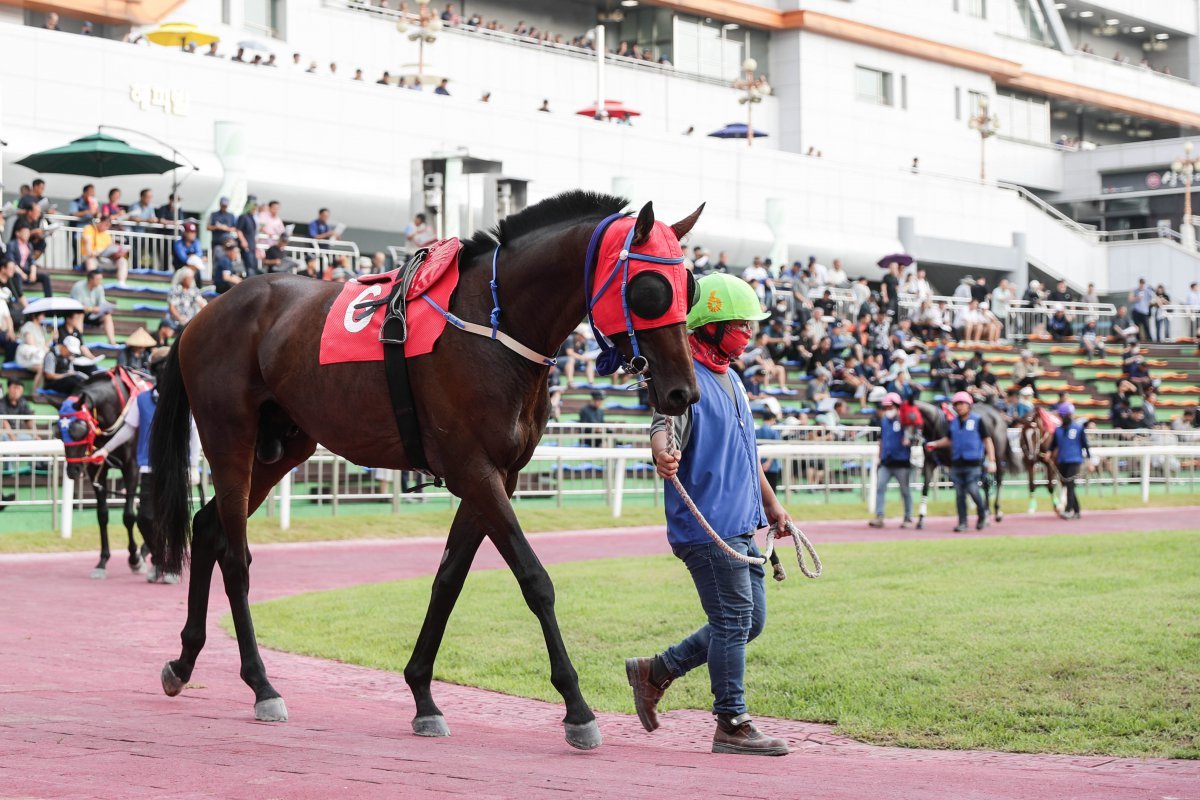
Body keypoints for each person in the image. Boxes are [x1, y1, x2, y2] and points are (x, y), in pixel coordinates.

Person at [628, 273, 790, 757]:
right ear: (710, 326)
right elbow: (663, 426)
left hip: (742, 523)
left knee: (748, 622)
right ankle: (732, 723)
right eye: (739, 324)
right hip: (706, 528)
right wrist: (662, 452)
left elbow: (746, 452)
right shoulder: (687, 381)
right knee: (735, 617)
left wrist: (773, 504)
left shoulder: (733, 378)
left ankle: (656, 671)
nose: (748, 333)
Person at [93, 348, 199, 584]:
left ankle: (171, 565)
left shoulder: (185, 400)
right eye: (160, 369)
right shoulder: (141, 400)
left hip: (176, 468)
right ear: (155, 373)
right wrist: (106, 449)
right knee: (144, 518)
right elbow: (129, 429)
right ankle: (161, 558)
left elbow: (193, 435)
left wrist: (193, 467)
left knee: (172, 518)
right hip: (149, 468)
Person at [925, 391, 996, 532]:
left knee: (973, 490)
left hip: (974, 463)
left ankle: (982, 514)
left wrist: (992, 460)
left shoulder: (978, 420)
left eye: (961, 404)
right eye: (956, 404)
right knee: (959, 494)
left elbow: (987, 440)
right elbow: (948, 440)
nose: (959, 407)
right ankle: (962, 522)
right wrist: (935, 444)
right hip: (957, 463)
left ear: (969, 405)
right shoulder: (953, 423)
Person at [870, 392, 913, 528]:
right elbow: (881, 440)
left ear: (897, 406)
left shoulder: (905, 420)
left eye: (890, 407)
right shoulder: (884, 421)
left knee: (905, 491)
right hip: (886, 462)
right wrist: (879, 457)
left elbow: (913, 432)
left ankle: (908, 517)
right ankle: (879, 516)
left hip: (902, 462)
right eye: (886, 408)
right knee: (880, 488)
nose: (888, 410)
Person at [1050, 402, 1089, 520]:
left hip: (1075, 460)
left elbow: (1085, 445)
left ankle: (1068, 510)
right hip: (1062, 460)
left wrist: (1089, 460)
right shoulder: (1058, 430)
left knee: (1070, 485)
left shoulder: (1078, 428)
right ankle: (1077, 511)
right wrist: (1048, 452)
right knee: (1069, 485)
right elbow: (1053, 445)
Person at [79, 214, 130, 285]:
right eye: (105, 224)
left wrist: (117, 255)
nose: (106, 227)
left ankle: (121, 283)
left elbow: (109, 250)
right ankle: (93, 283)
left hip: (104, 259)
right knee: (90, 260)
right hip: (91, 258)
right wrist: (93, 252)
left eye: (108, 226)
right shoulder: (89, 228)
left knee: (122, 261)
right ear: (100, 222)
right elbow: (88, 244)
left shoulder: (107, 235)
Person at [69, 269, 118, 345]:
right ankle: (80, 341)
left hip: (93, 315)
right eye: (98, 279)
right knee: (79, 314)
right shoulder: (78, 287)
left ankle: (112, 342)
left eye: (101, 279)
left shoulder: (99, 288)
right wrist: (92, 309)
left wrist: (107, 308)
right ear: (91, 279)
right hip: (78, 314)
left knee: (107, 316)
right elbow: (77, 306)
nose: (100, 281)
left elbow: (102, 303)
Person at [755, 410, 783, 491]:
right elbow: (775, 448)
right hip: (772, 467)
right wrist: (768, 462)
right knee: (772, 491)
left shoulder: (756, 431)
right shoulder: (773, 432)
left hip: (759, 465)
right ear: (772, 419)